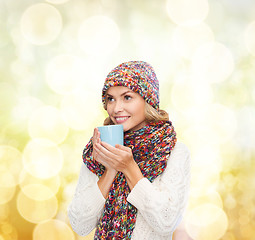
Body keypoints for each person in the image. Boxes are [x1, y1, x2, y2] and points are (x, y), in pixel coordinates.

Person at [68, 61, 191, 240]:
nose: (116, 108)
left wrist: (128, 167)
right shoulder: (98, 149)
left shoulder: (174, 151)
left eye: (127, 97)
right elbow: (80, 224)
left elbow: (166, 222)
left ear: (147, 99)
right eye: (110, 99)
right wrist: (110, 169)